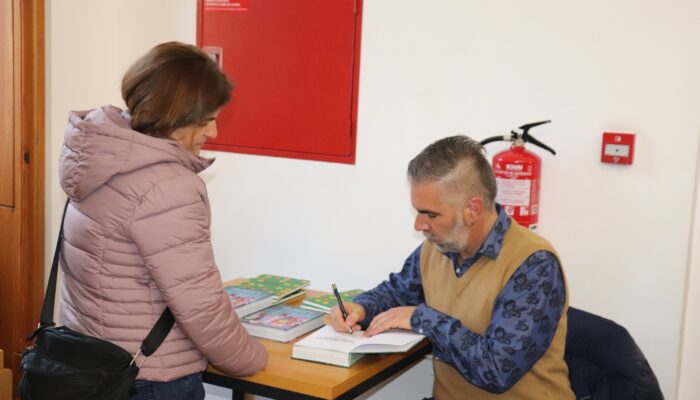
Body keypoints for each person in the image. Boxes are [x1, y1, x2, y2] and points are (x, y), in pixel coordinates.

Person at [58, 42, 267, 400]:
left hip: (91, 366)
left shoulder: (98, 158)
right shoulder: (169, 186)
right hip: (149, 378)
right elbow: (199, 304)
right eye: (205, 121)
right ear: (175, 117)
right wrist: (253, 359)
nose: (213, 133)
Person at [331, 136, 575, 399]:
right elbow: (397, 293)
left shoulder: (534, 263)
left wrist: (423, 319)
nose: (419, 225)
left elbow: (497, 370)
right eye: (418, 212)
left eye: (431, 214)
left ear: (472, 209)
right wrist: (361, 308)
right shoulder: (438, 246)